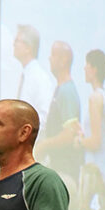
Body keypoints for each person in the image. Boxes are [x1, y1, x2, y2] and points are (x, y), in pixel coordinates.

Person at [34, 40, 82, 181]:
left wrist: (43, 146)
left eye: (53, 55)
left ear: (63, 60)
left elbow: (69, 135)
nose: (49, 58)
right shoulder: (60, 89)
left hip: (65, 173)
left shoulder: (67, 92)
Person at [75, 49, 105, 201]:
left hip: (94, 168)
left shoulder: (95, 98)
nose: (84, 68)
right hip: (104, 165)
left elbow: (95, 141)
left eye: (87, 65)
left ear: (95, 69)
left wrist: (78, 141)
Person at [11, 25, 55, 126]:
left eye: (17, 40)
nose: (13, 43)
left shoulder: (40, 78)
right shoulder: (24, 75)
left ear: (28, 48)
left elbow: (45, 116)